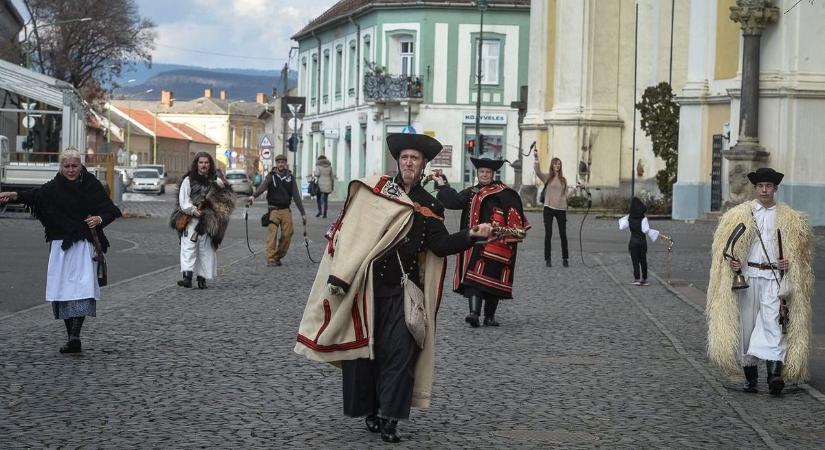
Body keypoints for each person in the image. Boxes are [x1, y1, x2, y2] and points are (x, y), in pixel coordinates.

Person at [294, 129, 492, 443]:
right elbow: (353, 228)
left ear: (424, 164)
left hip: (404, 291)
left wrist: (471, 236)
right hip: (367, 289)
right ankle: (371, 408)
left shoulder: (429, 207)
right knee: (366, 353)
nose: (409, 162)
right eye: (404, 157)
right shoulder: (378, 192)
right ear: (398, 162)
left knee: (400, 354)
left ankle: (390, 417)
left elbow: (439, 246)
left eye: (415, 158)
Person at [0, 147, 121, 354]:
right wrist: (13, 195)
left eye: (75, 166)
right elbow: (35, 196)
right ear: (61, 167)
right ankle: (70, 337)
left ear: (81, 165)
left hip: (84, 243)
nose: (71, 170)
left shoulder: (91, 184)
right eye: (67, 166)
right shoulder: (54, 186)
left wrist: (99, 219)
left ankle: (75, 335)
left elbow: (110, 210)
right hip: (61, 244)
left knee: (82, 289)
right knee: (62, 290)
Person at [706, 167, 813, 396]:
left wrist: (790, 263)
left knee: (775, 324)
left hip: (775, 279)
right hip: (748, 278)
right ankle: (751, 379)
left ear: (775, 189)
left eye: (769, 186)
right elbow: (726, 249)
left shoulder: (789, 218)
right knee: (747, 327)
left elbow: (802, 253)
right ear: (755, 188)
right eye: (761, 186)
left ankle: (774, 376)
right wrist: (734, 264)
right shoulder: (739, 215)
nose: (765, 190)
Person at [434, 154, 529, 327]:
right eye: (481, 171)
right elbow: (453, 201)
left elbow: (515, 218)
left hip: (497, 243)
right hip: (474, 242)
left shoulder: (505, 193)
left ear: (493, 174)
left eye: (487, 172)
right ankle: (474, 314)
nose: (484, 174)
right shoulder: (472, 192)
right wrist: (442, 184)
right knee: (473, 276)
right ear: (478, 173)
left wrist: (505, 233)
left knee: (493, 279)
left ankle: (489, 317)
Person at [170, 152, 235, 289]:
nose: (203, 165)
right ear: (196, 164)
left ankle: (202, 278)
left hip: (208, 221)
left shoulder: (216, 182)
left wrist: (213, 209)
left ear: (210, 164)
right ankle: (187, 277)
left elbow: (224, 199)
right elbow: (184, 200)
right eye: (201, 162)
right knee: (188, 247)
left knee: (205, 249)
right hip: (190, 219)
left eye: (206, 162)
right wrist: (193, 210)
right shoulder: (188, 181)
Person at [248, 154, 306, 267]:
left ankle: (277, 256)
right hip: (273, 210)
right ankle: (270, 259)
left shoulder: (290, 177)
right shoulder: (271, 176)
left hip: (286, 210)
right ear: (276, 164)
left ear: (285, 163)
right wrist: (253, 196)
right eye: (279, 162)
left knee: (288, 234)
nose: (281, 164)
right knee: (272, 235)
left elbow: (296, 196)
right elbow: (263, 186)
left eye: (283, 162)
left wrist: (303, 213)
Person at [534, 153, 573, 267]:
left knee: (563, 235)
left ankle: (565, 259)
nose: (558, 166)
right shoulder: (547, 177)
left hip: (561, 209)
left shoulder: (563, 180)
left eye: (559, 164)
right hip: (548, 208)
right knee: (548, 234)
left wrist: (576, 189)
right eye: (556, 164)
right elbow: (537, 171)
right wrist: (536, 159)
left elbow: (566, 195)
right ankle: (548, 259)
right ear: (552, 165)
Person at [618, 197, 660, 286]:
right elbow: (645, 230)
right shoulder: (643, 218)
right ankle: (644, 279)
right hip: (642, 242)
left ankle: (637, 278)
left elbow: (621, 227)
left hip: (633, 242)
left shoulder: (629, 218)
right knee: (643, 260)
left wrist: (628, 217)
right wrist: (654, 233)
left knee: (635, 261)